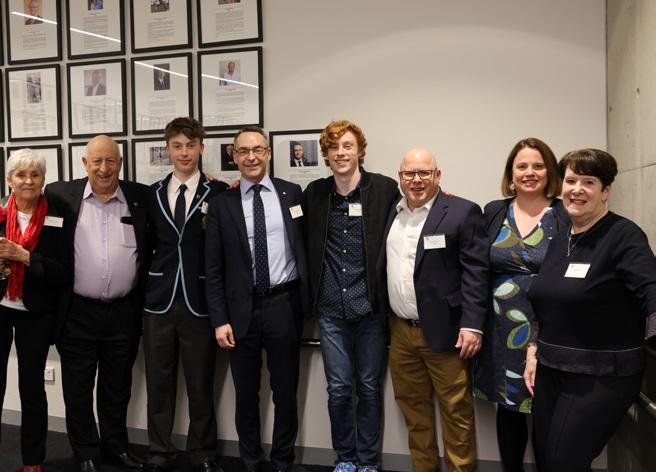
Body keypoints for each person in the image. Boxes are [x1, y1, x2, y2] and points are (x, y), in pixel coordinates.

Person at [524, 148, 656, 471]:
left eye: (589, 182)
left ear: (606, 190)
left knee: (563, 461)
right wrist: (533, 351)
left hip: (601, 373)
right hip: (551, 367)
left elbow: (651, 289)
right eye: (571, 181)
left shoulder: (623, 236)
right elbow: (547, 301)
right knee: (544, 456)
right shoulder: (561, 238)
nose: (577, 189)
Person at [205, 126, 309, 472]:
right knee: (246, 394)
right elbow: (213, 268)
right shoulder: (221, 204)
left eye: (258, 150)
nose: (251, 157)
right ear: (234, 156)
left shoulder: (292, 194)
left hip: (284, 305)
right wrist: (220, 319)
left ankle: (282, 460)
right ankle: (250, 461)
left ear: (268, 153)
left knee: (286, 392)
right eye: (244, 151)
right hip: (240, 310)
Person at [379, 147, 487, 472]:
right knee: (414, 412)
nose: (417, 180)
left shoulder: (462, 212)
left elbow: (476, 272)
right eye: (409, 173)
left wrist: (472, 324)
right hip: (401, 332)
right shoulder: (391, 212)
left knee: (456, 413)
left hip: (447, 331)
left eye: (424, 172)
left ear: (437, 175)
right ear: (400, 177)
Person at [46, 135, 149, 472]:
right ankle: (86, 452)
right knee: (77, 389)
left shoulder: (140, 196)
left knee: (117, 387)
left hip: (124, 312)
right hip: (77, 312)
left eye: (111, 161)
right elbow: (25, 204)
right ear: (84, 163)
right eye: (97, 161)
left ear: (121, 162)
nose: (104, 168)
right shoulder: (59, 195)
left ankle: (116, 447)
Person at [302, 120, 399, 472]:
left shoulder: (384, 189)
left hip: (370, 309)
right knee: (339, 389)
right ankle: (345, 458)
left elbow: (414, 213)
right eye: (333, 147)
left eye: (347, 146)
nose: (341, 153)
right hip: (331, 310)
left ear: (360, 150)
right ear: (326, 155)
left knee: (369, 388)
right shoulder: (314, 193)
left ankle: (368, 461)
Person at [471, 138, 568, 471]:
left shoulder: (564, 213)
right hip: (501, 330)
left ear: (550, 171)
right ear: (511, 174)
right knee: (509, 409)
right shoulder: (494, 211)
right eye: (522, 166)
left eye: (538, 166)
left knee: (546, 411)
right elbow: (474, 260)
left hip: (549, 327)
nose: (530, 172)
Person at [142, 118, 228, 472]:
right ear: (167, 149)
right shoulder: (152, 193)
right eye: (177, 146)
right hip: (158, 301)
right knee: (158, 382)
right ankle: (159, 451)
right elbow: (145, 245)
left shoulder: (218, 192)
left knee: (200, 383)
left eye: (190, 145)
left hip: (199, 300)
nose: (184, 152)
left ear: (201, 148)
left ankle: (203, 452)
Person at [0, 149, 69, 472]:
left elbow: (64, 271)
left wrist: (24, 256)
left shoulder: (58, 216)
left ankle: (33, 459)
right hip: (0, 308)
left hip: (37, 312)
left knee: (31, 388)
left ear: (43, 179)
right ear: (9, 180)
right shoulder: (0, 214)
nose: (28, 181)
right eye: (21, 175)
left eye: (35, 174)